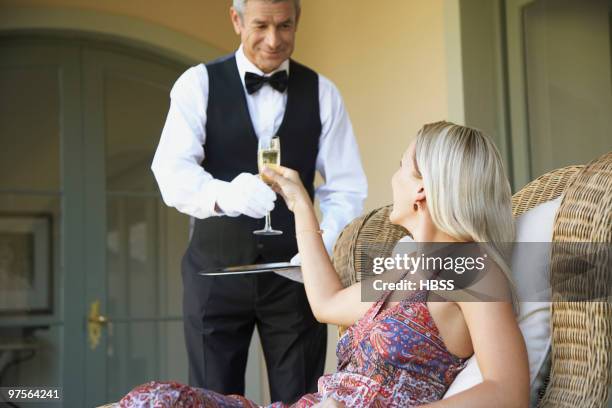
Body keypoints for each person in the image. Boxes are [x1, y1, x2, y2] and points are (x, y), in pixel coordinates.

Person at [125, 121, 530, 407]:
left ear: (422, 188)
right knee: (158, 399)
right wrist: (301, 203)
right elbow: (326, 303)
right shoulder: (404, 267)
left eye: (400, 167)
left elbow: (507, 391)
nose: (393, 178)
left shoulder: (469, 268)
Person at [151, 0, 367, 403]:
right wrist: (228, 195)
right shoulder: (197, 84)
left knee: (301, 396)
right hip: (214, 275)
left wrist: (321, 242)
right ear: (236, 20)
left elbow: (346, 187)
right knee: (212, 399)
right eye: (261, 25)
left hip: (295, 278)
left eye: (285, 26)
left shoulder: (323, 93)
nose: (273, 40)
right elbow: (171, 173)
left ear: (298, 21)